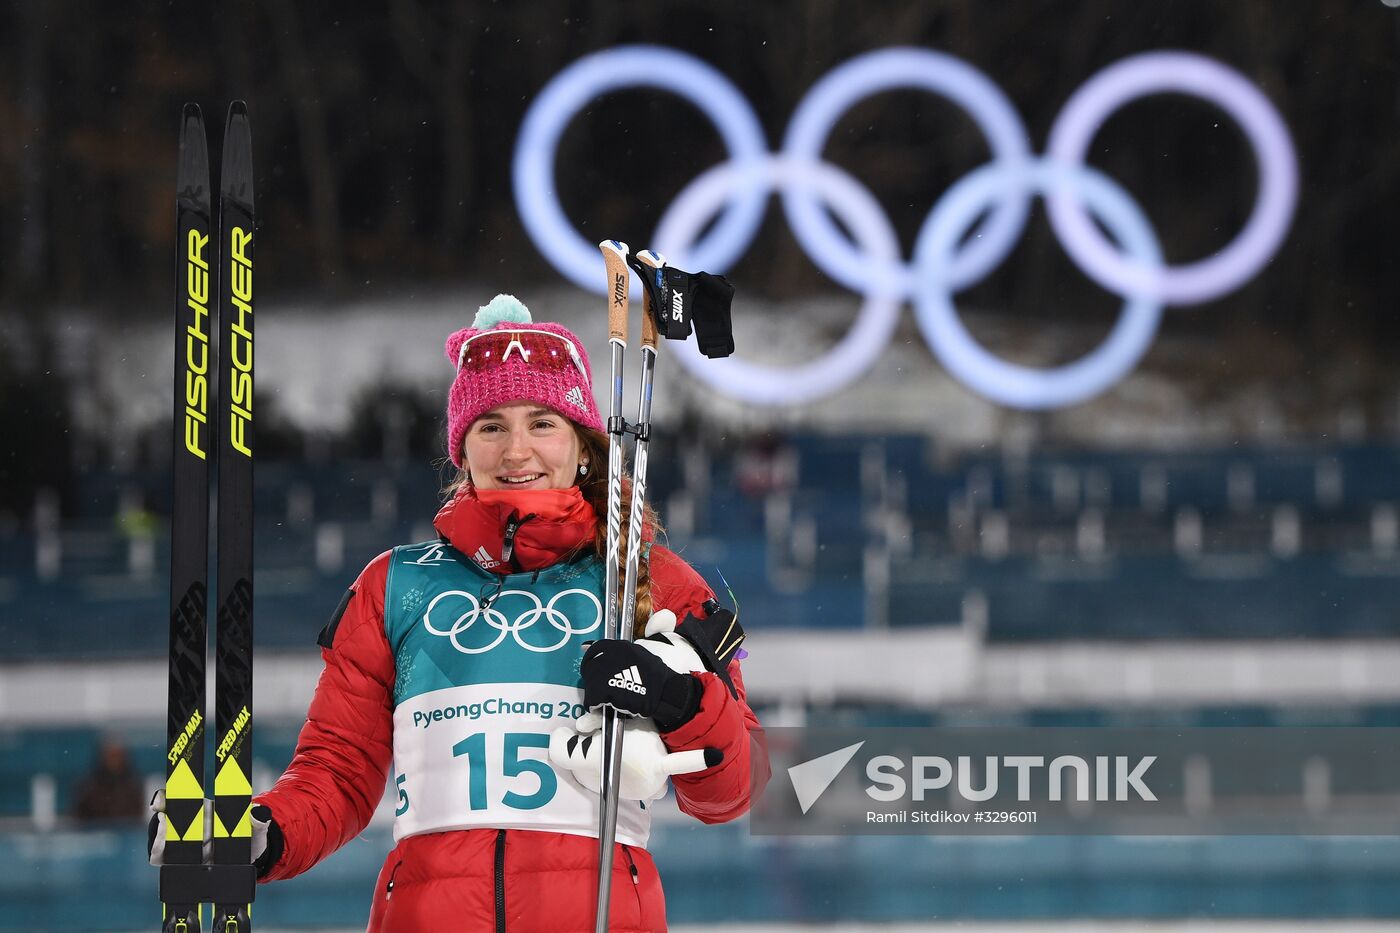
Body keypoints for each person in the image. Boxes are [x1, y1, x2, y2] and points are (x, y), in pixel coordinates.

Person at [248, 295, 765, 931]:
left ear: (582, 447)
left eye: (542, 423)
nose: (516, 451)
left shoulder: (648, 579)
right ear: (462, 452)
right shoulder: (396, 585)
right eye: (491, 426)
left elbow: (735, 787)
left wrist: (678, 702)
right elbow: (337, 773)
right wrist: (263, 833)